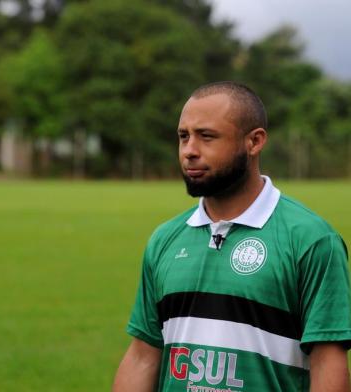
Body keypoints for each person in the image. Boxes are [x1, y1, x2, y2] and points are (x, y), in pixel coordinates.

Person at [113, 81, 351, 392]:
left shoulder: (311, 240)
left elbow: (328, 362)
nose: (189, 151)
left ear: (254, 141)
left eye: (206, 136)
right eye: (184, 137)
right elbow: (143, 356)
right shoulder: (165, 240)